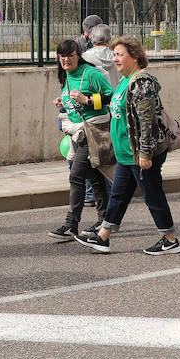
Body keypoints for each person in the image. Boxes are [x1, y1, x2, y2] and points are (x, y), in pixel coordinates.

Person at [76, 37, 180, 254]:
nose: (115, 59)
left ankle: (170, 239)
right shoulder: (125, 81)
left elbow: (148, 121)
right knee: (119, 194)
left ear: (134, 56)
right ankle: (103, 237)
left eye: (120, 54)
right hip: (127, 154)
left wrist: (145, 153)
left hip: (140, 154)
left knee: (152, 195)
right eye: (114, 54)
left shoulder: (141, 82)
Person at [47, 37, 112, 241]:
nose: (66, 59)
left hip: (92, 131)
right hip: (76, 131)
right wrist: (62, 102)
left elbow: (112, 95)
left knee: (76, 176)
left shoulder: (91, 74)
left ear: (78, 56)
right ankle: (104, 220)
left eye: (70, 55)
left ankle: (71, 224)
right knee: (94, 177)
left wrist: (88, 100)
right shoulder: (66, 75)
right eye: (62, 56)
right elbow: (71, 98)